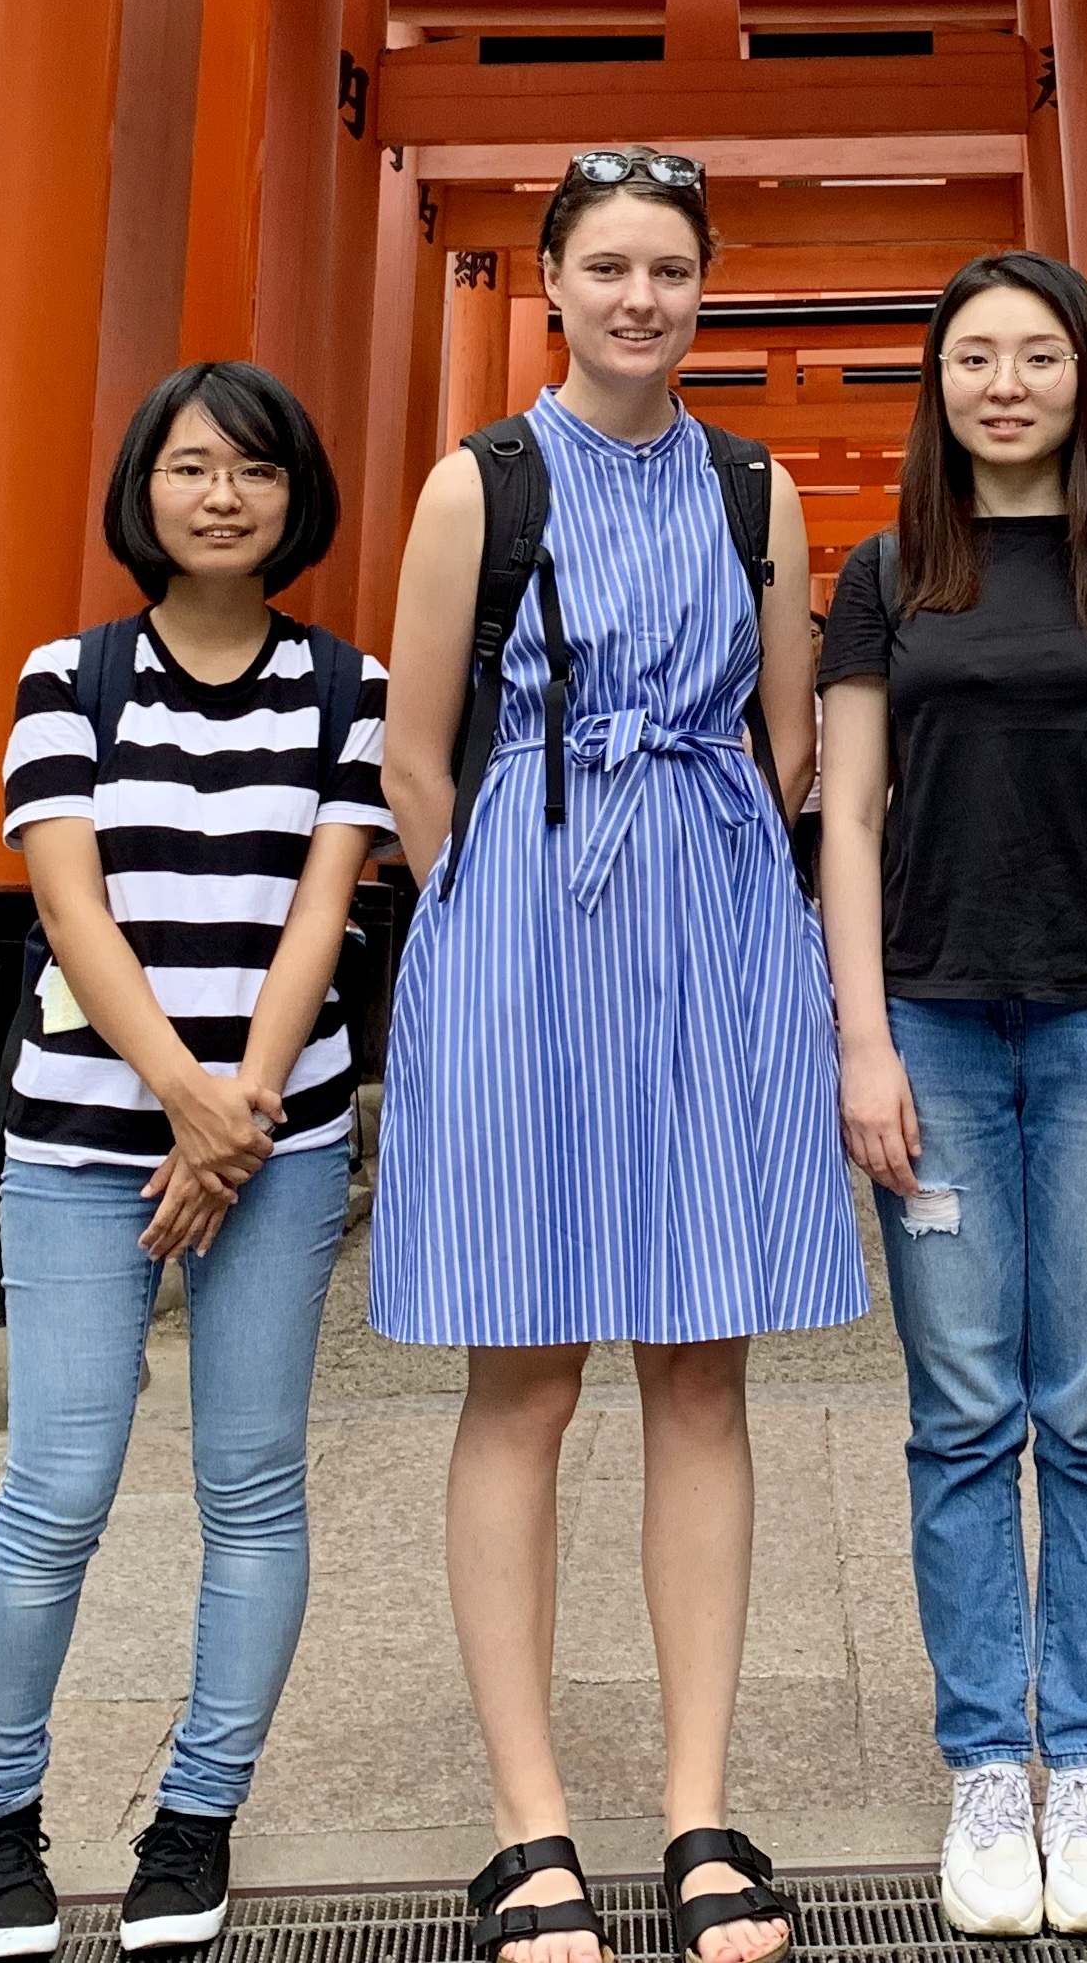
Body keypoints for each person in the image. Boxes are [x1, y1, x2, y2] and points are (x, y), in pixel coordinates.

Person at [373, 146, 867, 1963]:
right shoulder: (476, 485)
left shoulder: (759, 488)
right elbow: (419, 757)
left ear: (703, 285)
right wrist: (510, 919)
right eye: (608, 267)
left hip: (720, 930)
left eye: (671, 267)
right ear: (552, 284)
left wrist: (710, 896)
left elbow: (791, 741)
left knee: (701, 1377)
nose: (641, 297)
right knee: (521, 1383)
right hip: (522, 936)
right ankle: (530, 1822)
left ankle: (700, 1804)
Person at [816, 250, 1087, 1942]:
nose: (1004, 381)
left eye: (1038, 355)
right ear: (937, 380)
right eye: (974, 355)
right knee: (963, 1407)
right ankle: (990, 1765)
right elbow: (845, 814)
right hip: (932, 1021)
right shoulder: (886, 573)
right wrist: (860, 1038)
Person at [0, 363, 390, 1963]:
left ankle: (195, 1817)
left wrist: (243, 1113)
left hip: (277, 1137)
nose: (223, 495)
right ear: (143, 487)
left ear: (297, 500)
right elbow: (73, 906)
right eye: (193, 466)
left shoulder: (351, 688)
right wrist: (183, 1105)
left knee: (252, 1491)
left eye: (256, 471)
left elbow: (324, 912)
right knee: (55, 1486)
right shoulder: (67, 678)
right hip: (81, 1134)